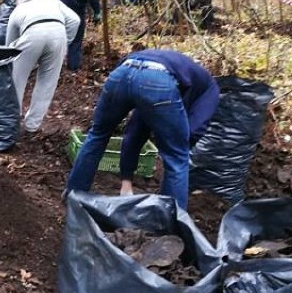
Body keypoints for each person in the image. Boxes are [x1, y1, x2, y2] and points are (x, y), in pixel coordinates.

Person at [65, 49, 220, 209]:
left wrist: (126, 182)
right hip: (157, 79)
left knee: (98, 135)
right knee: (178, 156)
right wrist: (172, 142)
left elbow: (134, 132)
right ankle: (172, 220)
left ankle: (73, 197)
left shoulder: (180, 70)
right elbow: (192, 133)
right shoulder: (211, 89)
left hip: (122, 73)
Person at [5, 0, 81, 135]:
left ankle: (11, 122)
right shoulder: (53, 2)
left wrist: (13, 59)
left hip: (32, 34)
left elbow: (9, 44)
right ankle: (32, 126)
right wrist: (66, 42)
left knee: (17, 80)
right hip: (58, 35)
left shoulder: (18, 10)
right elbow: (75, 20)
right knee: (47, 83)